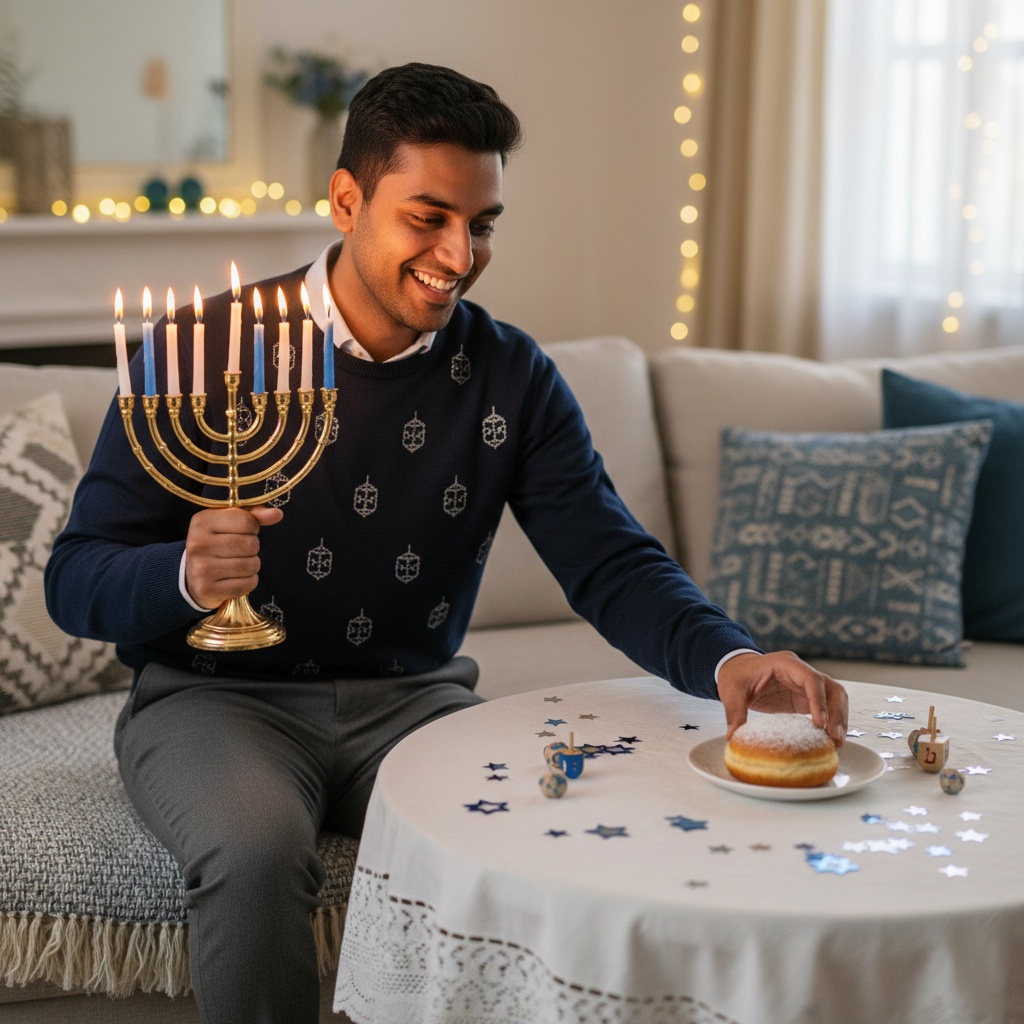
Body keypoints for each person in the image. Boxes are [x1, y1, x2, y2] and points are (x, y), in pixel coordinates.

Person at [45, 62, 847, 1024]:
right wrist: (181, 573)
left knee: (547, 839)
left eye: (484, 223)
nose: (460, 254)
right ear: (348, 199)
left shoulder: (511, 376)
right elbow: (75, 578)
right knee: (255, 854)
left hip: (412, 702)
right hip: (217, 703)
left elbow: (609, 558)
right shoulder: (200, 351)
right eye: (428, 217)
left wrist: (729, 655)